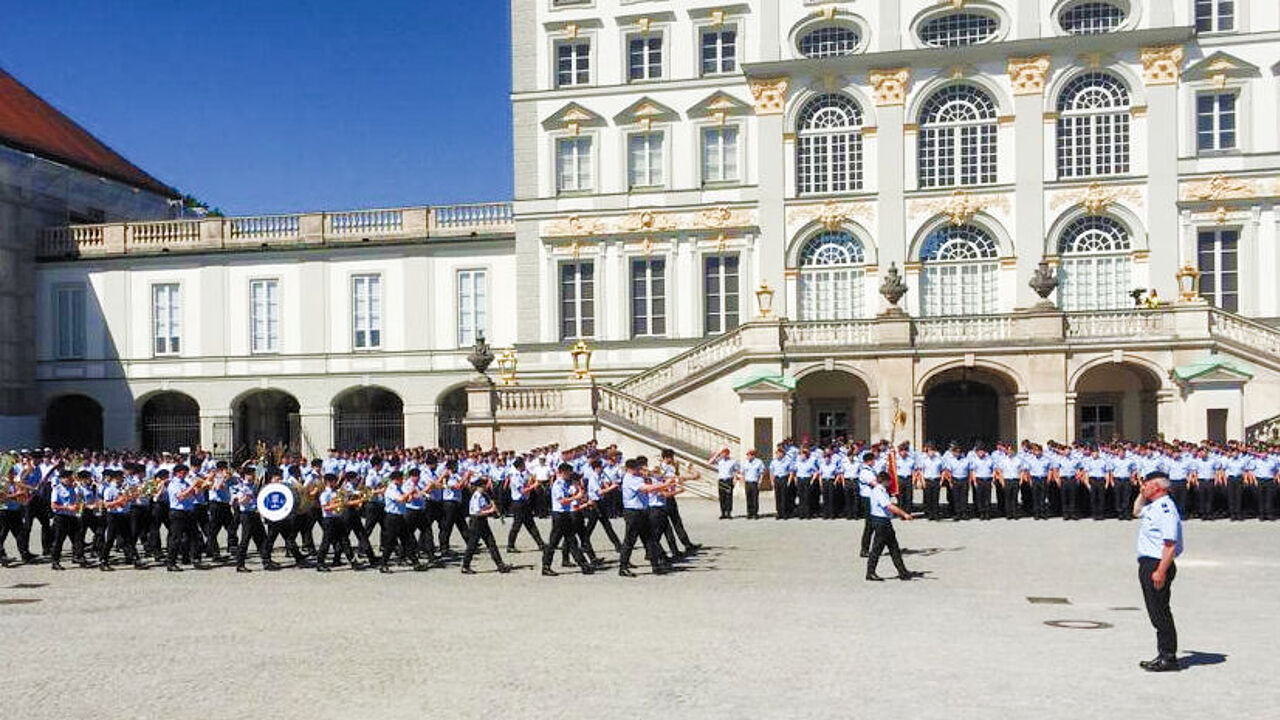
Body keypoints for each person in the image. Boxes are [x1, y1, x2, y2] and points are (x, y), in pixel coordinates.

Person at [1132, 473, 1183, 672]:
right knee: (1155, 611)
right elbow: (1136, 511)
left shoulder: (1166, 509)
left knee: (1160, 612)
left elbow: (1170, 545)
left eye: (1147, 484)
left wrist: (1161, 571)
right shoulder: (1153, 505)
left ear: (1158, 487)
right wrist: (1142, 494)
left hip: (1157, 564)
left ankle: (1168, 656)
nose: (1143, 486)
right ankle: (1163, 653)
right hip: (1148, 563)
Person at [541, 463, 592, 576]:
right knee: (553, 542)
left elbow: (573, 494)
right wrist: (576, 497)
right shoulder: (558, 484)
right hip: (559, 515)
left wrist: (578, 489)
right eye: (568, 473)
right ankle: (546, 566)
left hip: (566, 514)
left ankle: (583, 565)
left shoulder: (567, 483)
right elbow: (563, 500)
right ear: (562, 472)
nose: (570, 475)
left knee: (572, 541)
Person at [865, 471, 916, 582]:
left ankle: (902, 572)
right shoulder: (879, 491)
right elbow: (888, 506)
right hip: (881, 522)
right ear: (885, 481)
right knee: (877, 548)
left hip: (883, 521)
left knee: (894, 548)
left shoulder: (880, 490)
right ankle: (870, 572)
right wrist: (904, 514)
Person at [461, 474, 511, 574]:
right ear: (481, 486)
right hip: (476, 522)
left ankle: (500, 564)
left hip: (483, 521)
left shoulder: (483, 495)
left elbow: (483, 507)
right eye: (485, 486)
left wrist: (491, 506)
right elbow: (477, 512)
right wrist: (491, 510)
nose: (486, 487)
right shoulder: (477, 496)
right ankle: (465, 566)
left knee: (491, 542)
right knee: (472, 544)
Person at [711, 448, 737, 519]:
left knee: (729, 497)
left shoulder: (733, 461)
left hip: (728, 480)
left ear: (728, 454)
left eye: (724, 453)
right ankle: (723, 513)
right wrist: (717, 454)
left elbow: (735, 471)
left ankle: (728, 513)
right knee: (722, 497)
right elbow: (710, 462)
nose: (723, 455)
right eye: (722, 453)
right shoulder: (720, 461)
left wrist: (735, 480)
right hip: (721, 480)